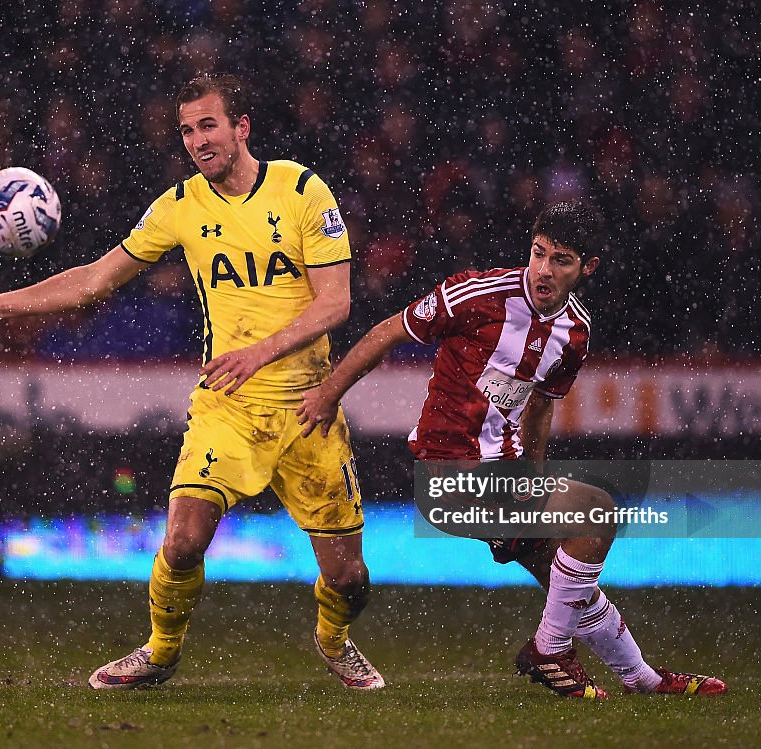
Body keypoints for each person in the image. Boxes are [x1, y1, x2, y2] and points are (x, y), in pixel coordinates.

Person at [0, 73, 384, 691]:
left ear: (241, 127)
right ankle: (159, 652)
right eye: (188, 130)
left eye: (209, 125)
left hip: (309, 403)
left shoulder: (303, 190)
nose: (197, 140)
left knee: (350, 577)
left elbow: (335, 304)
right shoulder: (179, 206)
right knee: (186, 538)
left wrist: (261, 351)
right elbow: (95, 279)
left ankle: (334, 640)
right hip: (227, 402)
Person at [298, 200, 726, 698]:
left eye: (561, 260)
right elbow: (388, 332)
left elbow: (540, 409)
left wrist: (534, 479)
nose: (544, 270)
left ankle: (641, 680)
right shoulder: (477, 294)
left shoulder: (575, 333)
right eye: (539, 253)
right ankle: (549, 648)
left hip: (503, 476)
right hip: (448, 476)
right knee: (597, 513)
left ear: (587, 268)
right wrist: (328, 395)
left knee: (568, 581)